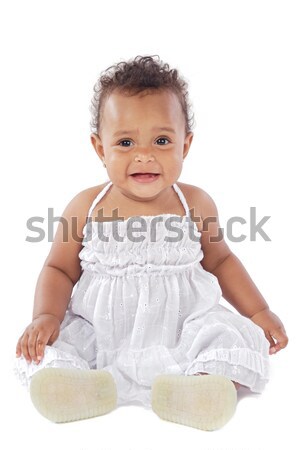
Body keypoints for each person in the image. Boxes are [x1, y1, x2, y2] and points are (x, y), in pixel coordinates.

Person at [14, 55, 288, 431]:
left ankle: (197, 390)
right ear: (100, 148)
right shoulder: (86, 206)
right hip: (102, 331)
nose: (144, 154)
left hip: (183, 327)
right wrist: (45, 316)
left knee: (228, 341)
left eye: (161, 140)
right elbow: (59, 268)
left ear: (185, 145)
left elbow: (221, 261)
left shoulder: (194, 203)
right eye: (125, 142)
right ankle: (87, 388)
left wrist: (258, 312)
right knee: (54, 352)